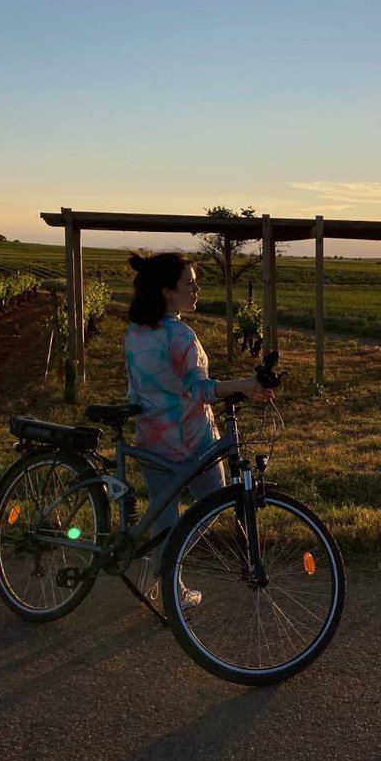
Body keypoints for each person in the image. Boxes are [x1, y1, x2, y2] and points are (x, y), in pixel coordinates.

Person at [124, 251, 273, 610]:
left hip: (151, 440)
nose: (196, 289)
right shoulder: (180, 336)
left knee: (165, 520)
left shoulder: (134, 333)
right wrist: (244, 385)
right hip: (193, 441)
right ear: (167, 291)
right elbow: (199, 389)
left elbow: (135, 389)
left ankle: (163, 576)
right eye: (189, 283)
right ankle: (164, 571)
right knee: (213, 503)